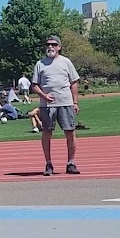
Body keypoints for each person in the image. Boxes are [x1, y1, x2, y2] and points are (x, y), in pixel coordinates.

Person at [31, 35, 80, 176]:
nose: (50, 47)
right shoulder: (40, 64)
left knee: (70, 131)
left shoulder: (66, 62)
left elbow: (74, 82)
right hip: (47, 105)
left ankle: (71, 162)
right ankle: (48, 163)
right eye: (48, 44)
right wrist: (44, 96)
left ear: (59, 47)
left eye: (53, 44)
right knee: (47, 132)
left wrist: (75, 102)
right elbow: (34, 85)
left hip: (65, 102)